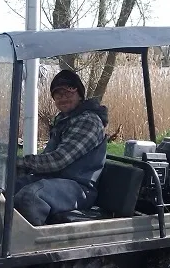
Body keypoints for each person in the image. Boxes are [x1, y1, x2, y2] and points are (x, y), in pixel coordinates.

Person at [14, 69, 109, 226]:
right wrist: (12, 170)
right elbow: (47, 159)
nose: (63, 97)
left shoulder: (88, 121)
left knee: (30, 196)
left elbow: (58, 160)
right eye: (58, 94)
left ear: (80, 94)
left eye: (68, 92)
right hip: (57, 180)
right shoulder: (64, 120)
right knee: (6, 184)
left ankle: (31, 246)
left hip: (79, 188)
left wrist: (18, 162)